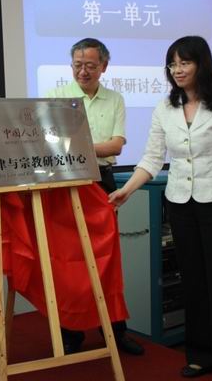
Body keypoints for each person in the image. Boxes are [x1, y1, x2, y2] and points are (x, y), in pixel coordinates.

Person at [109, 36, 212, 381]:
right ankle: (201, 356)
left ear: (202, 64)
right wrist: (126, 190)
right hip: (180, 203)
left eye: (184, 62)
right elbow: (152, 158)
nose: (177, 70)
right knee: (194, 283)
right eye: (172, 64)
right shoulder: (165, 107)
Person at [47, 38, 144, 356]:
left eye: (90, 65)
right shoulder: (56, 97)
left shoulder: (115, 99)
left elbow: (116, 146)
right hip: (66, 181)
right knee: (68, 260)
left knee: (107, 258)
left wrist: (77, 144)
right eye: (77, 65)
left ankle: (115, 331)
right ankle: (70, 333)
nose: (83, 71)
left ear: (104, 66)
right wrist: (87, 146)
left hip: (102, 180)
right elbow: (52, 145)